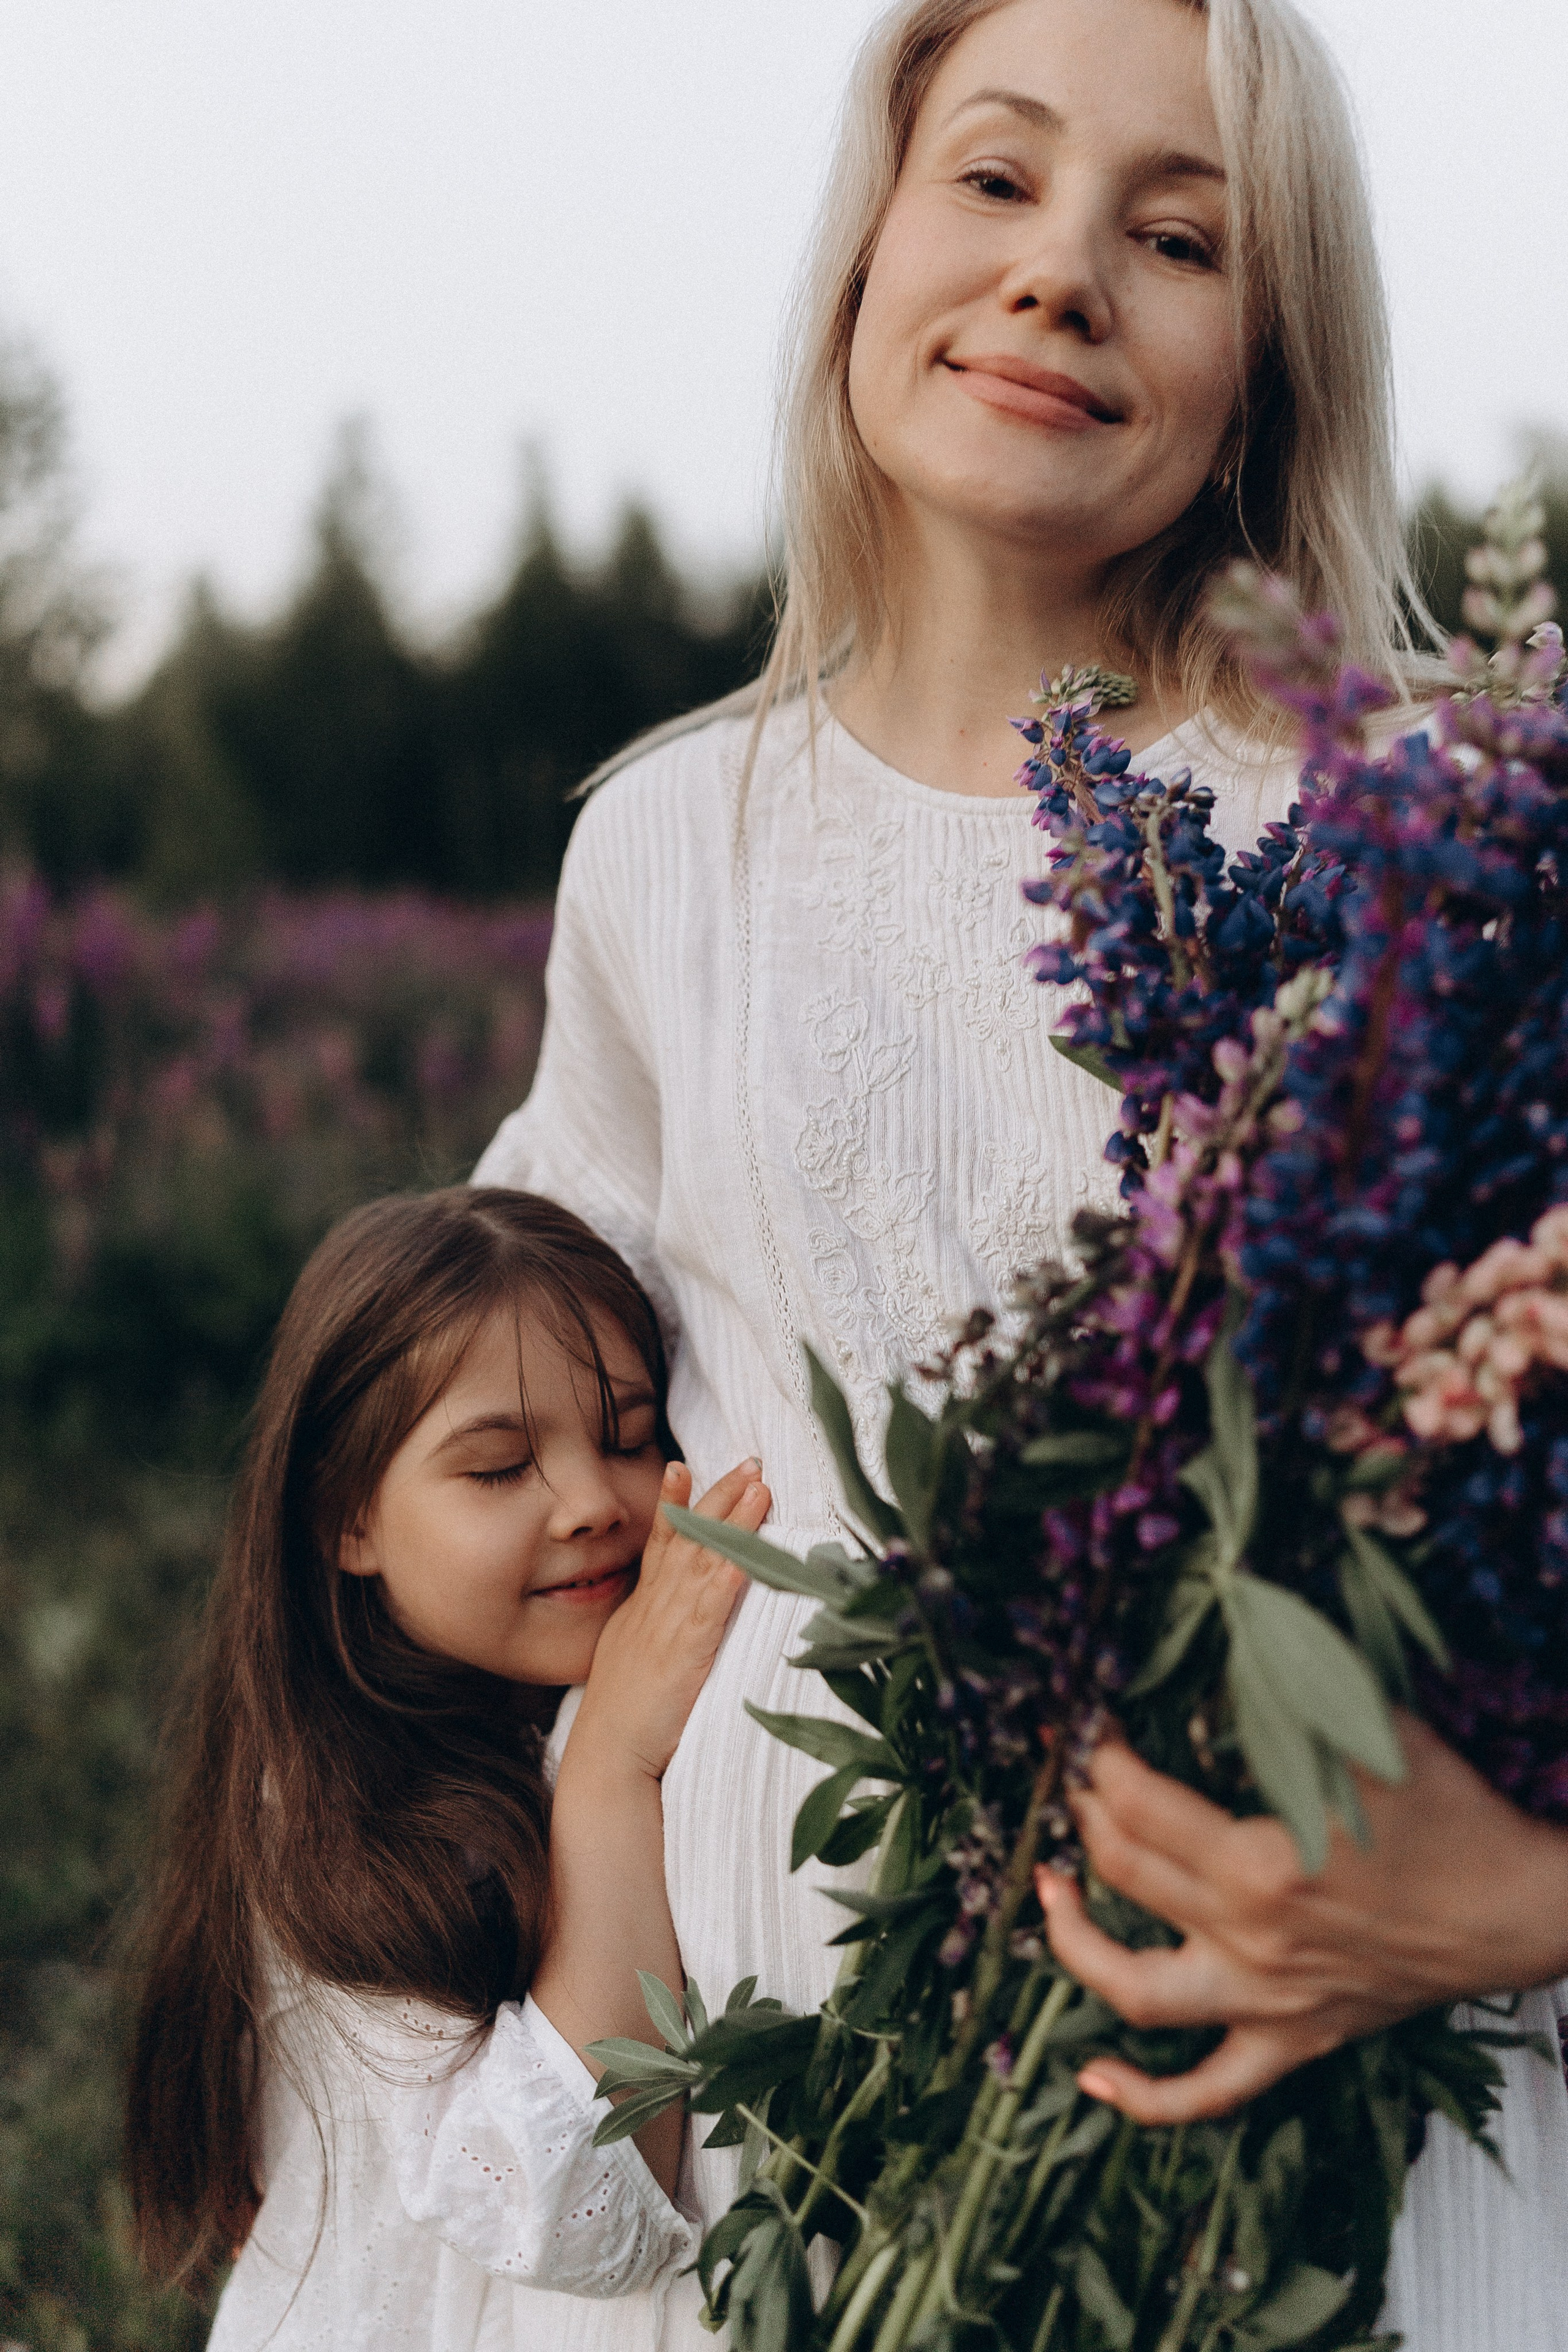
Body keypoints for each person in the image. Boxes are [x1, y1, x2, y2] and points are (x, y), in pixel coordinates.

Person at [473, 0, 1568, 2343]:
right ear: (866, 240)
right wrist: (582, 1824)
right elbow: (494, 1469)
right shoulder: (672, 844)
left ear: (1273, 363)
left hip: (1345, 2082)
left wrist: (1524, 1903)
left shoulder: (1431, 835)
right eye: (993, 177)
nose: (1062, 270)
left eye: (1177, 234)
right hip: (821, 2097)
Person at [124, 1185, 772, 2350]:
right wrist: (612, 1765)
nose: (591, 1503)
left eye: (629, 1438)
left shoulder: (510, 1712)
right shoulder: (329, 1814)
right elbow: (555, 2203)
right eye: (498, 1468)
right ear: (347, 1519)